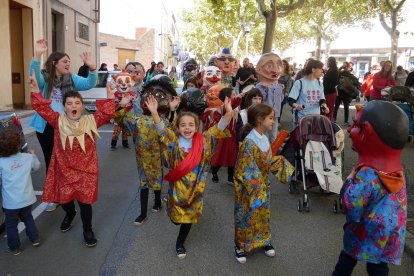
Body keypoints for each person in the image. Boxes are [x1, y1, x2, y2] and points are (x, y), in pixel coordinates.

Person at [29, 70, 115, 247]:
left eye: (77, 102)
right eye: (69, 103)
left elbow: (106, 114)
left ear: (81, 105)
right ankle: (69, 213)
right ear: (64, 106)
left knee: (85, 203)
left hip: (86, 171)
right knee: (64, 200)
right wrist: (35, 90)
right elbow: (41, 108)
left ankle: (87, 230)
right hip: (64, 169)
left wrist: (110, 95)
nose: (73, 106)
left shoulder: (91, 121)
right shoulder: (57, 120)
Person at [147, 93, 233, 259]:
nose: (187, 128)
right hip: (176, 190)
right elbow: (162, 130)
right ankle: (174, 215)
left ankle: (180, 242)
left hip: (195, 190)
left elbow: (220, 128)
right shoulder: (174, 140)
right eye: (183, 125)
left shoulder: (204, 140)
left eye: (191, 125)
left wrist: (228, 113)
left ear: (196, 127)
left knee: (187, 220)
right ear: (178, 128)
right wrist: (154, 113)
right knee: (176, 219)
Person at [332, 101, 409, 276]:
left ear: (366, 132)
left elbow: (351, 207)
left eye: (356, 126)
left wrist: (349, 181)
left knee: (348, 257)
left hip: (364, 230)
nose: (350, 131)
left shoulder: (367, 175)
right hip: (388, 233)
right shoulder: (398, 171)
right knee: (378, 266)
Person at [29, 39, 98, 212]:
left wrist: (92, 68)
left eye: (69, 61)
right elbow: (35, 76)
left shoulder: (72, 79)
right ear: (54, 63)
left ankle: (71, 192)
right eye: (64, 61)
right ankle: (55, 196)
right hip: (47, 126)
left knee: (67, 161)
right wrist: (37, 55)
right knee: (50, 160)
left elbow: (90, 83)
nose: (68, 64)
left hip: (67, 127)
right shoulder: (46, 78)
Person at [233, 103, 293, 263]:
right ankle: (240, 245)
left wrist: (283, 166)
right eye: (271, 118)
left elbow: (268, 161)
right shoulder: (249, 142)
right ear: (260, 120)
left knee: (263, 215)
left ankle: (264, 240)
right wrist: (256, 186)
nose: (273, 122)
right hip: (249, 188)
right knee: (246, 215)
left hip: (262, 185)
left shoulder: (264, 138)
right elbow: (246, 169)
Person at [123, 75, 179, 225]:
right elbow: (121, 119)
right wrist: (123, 106)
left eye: (158, 96)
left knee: (157, 179)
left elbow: (172, 132)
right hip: (142, 160)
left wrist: (172, 111)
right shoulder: (137, 121)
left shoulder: (162, 120)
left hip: (158, 158)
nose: (152, 99)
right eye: (148, 95)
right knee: (144, 183)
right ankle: (142, 213)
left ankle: (158, 201)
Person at [0, 129, 41, 255]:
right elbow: (36, 167)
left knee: (11, 225)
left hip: (11, 202)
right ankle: (35, 238)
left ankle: (14, 247)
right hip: (27, 198)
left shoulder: (1, 162)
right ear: (19, 145)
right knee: (28, 218)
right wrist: (33, 155)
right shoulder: (27, 157)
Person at [288, 59, 329, 126]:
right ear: (313, 70)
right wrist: (296, 106)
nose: (322, 71)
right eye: (320, 68)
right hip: (301, 118)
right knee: (300, 136)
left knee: (313, 136)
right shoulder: (299, 83)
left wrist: (324, 106)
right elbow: (290, 100)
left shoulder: (319, 83)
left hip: (316, 117)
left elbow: (322, 99)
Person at [255, 53, 284, 142]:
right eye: (269, 66)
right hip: (264, 114)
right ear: (259, 69)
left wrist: (279, 91)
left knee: (273, 135)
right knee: (264, 134)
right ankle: (264, 150)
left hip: (275, 114)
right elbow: (259, 100)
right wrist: (265, 89)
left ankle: (272, 151)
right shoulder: (259, 86)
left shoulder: (277, 86)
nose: (275, 70)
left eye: (278, 66)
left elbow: (281, 99)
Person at [333, 62, 360, 127]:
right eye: (345, 67)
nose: (345, 68)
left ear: (350, 68)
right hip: (343, 93)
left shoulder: (346, 75)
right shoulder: (343, 74)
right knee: (340, 107)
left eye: (346, 67)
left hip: (343, 93)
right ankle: (342, 121)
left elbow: (357, 84)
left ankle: (336, 120)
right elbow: (357, 84)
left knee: (341, 107)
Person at [323, 57, 339, 121]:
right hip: (328, 92)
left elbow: (334, 82)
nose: (327, 63)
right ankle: (326, 121)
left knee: (329, 108)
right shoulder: (331, 70)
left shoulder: (334, 71)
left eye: (328, 61)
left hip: (330, 92)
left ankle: (328, 122)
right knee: (326, 108)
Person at [277, 59, 293, 124]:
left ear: (286, 65)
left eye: (284, 64)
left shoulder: (288, 74)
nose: (283, 65)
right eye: (282, 64)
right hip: (274, 91)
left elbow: (289, 84)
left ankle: (278, 121)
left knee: (280, 107)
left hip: (283, 93)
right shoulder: (276, 72)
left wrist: (286, 92)